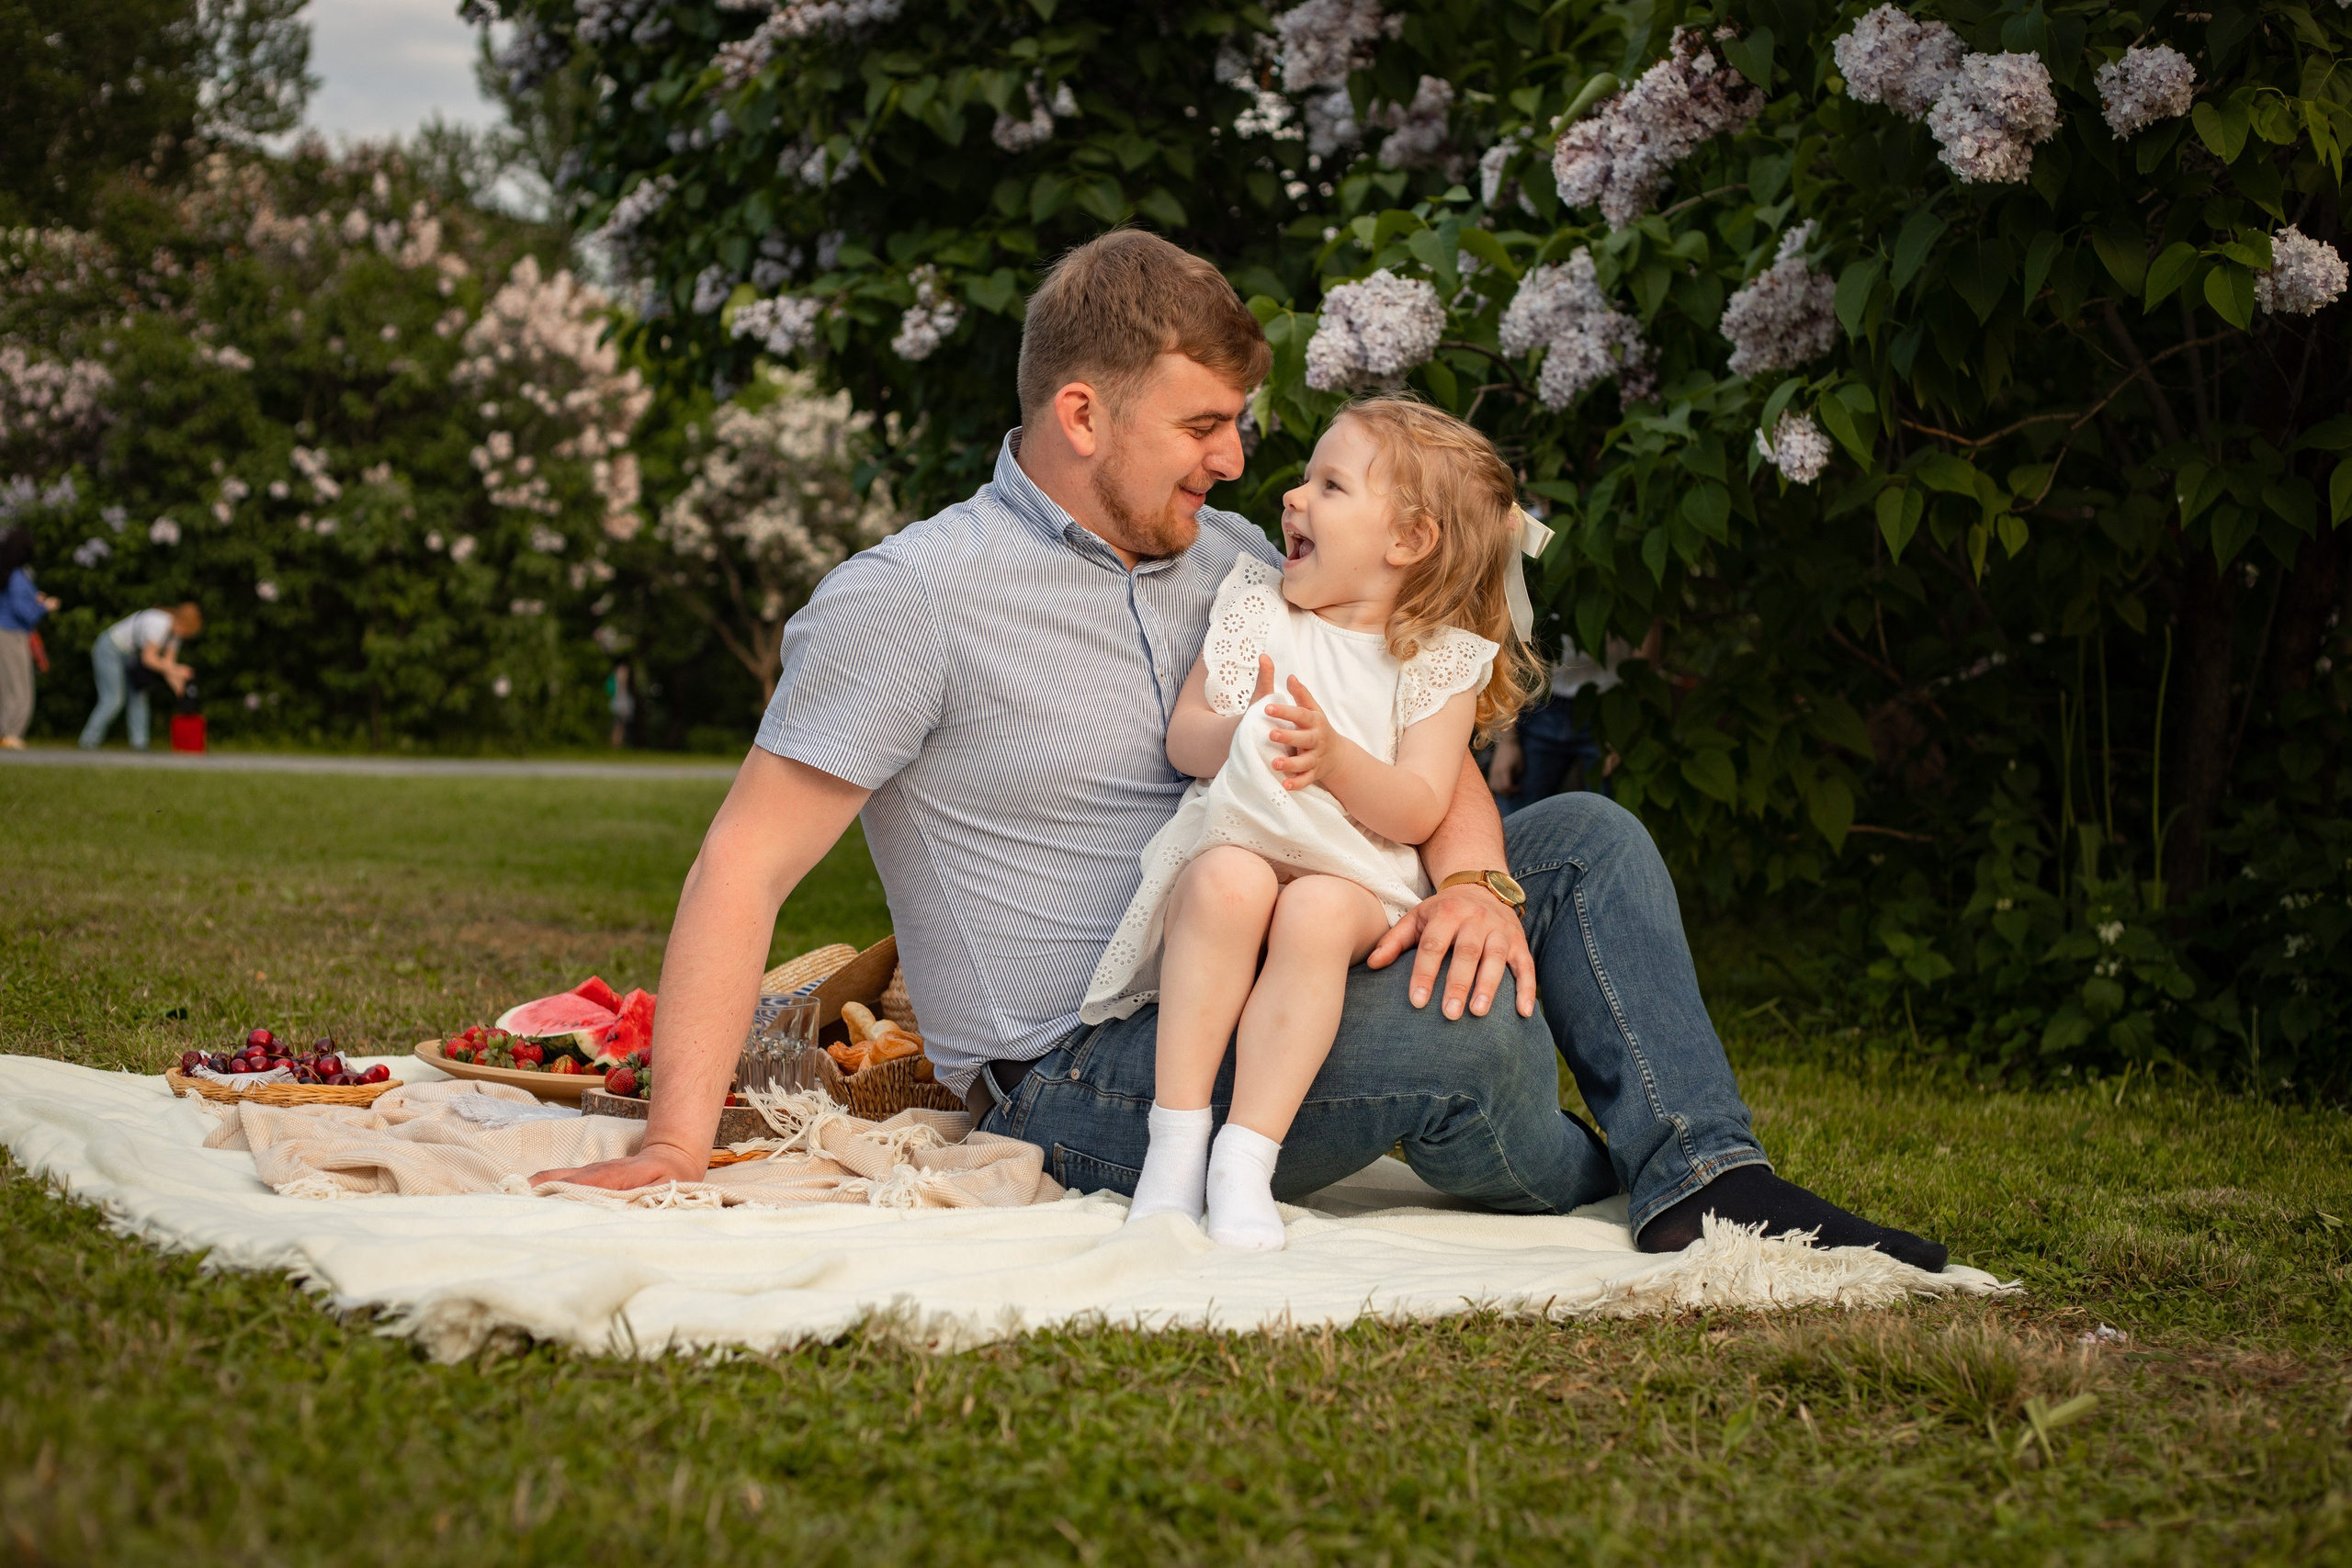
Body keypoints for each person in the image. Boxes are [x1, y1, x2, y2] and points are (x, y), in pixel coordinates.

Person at [534, 231, 1946, 1273]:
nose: (1232, 460)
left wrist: (1472, 885)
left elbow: (1419, 733)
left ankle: (1706, 1172)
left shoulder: (1239, 557)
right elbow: (745, 863)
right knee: (1478, 1043)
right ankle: (1591, 1153)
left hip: (1304, 948)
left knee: (1590, 845)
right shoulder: (910, 601)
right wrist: (675, 1139)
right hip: (1081, 1081)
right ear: (1083, 414)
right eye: (1203, 424)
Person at [1088, 398, 1540, 1248]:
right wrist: (1240, 725)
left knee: (1318, 909)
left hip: (1356, 870)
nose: (1292, 498)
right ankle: (1176, 1144)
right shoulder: (1258, 607)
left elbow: (1416, 806)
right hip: (1238, 838)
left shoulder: (1435, 659)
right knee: (1226, 879)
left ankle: (1246, 1156)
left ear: (1407, 540)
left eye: (1328, 486)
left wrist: (1335, 761)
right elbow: (1187, 738)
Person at [80, 602, 199, 750]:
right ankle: (88, 741)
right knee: (114, 699)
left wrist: (181, 691)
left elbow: (167, 666)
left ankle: (140, 744)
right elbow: (149, 659)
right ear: (182, 622)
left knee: (139, 696)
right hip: (110, 650)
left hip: (131, 657)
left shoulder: (175, 635)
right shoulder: (158, 623)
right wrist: (178, 669)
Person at [0, 527, 60, 750]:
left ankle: (7, 732)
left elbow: (24, 598)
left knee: (10, 686)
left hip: (11, 634)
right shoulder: (16, 576)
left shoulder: (14, 573)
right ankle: (10, 733)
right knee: (18, 687)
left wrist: (36, 598)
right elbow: (22, 611)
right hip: (10, 634)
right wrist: (44, 606)